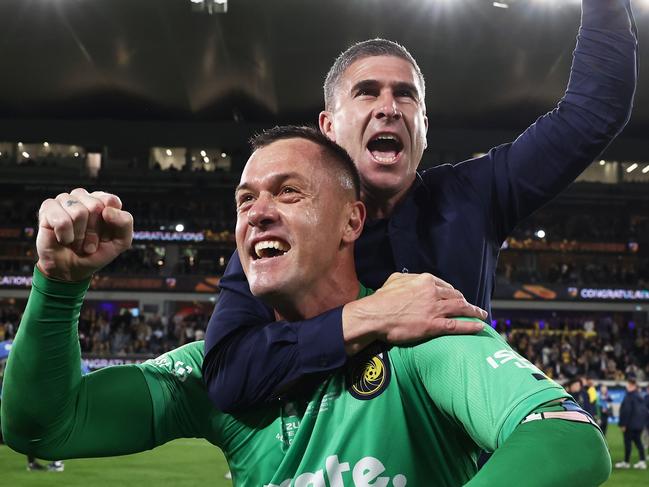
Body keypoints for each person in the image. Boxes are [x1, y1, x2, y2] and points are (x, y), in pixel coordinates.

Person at [2, 127, 610, 486]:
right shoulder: (216, 369)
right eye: (244, 200)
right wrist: (57, 286)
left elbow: (567, 438)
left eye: (288, 192)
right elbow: (44, 426)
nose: (257, 211)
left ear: (352, 220)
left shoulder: (422, 328)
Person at [202, 0, 638, 412]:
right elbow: (226, 376)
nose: (389, 108)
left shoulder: (476, 194)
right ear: (329, 127)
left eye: (406, 95)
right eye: (367, 93)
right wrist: (369, 317)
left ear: (423, 128)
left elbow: (595, 110)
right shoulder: (282, 233)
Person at [615, 377, 648, 470]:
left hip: (630, 425)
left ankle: (626, 462)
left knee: (628, 443)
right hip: (639, 425)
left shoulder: (629, 396)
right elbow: (644, 411)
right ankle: (642, 461)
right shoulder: (640, 395)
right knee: (639, 442)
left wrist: (623, 424)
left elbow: (626, 411)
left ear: (631, 385)